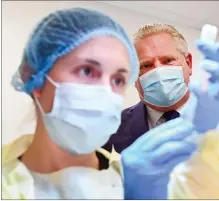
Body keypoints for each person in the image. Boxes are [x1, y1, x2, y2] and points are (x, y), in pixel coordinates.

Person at [3, 8, 193, 199]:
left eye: (118, 79)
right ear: (34, 75)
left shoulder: (133, 183)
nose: (106, 92)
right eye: (86, 70)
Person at [102, 23, 219, 199]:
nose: (158, 71)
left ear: (188, 63)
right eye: (146, 66)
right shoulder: (109, 131)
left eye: (168, 60)